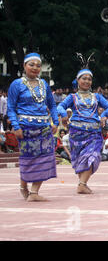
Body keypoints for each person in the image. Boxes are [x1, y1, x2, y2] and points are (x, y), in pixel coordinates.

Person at [57, 54, 108, 194]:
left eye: (89, 79)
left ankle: (82, 183)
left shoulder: (97, 96)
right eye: (84, 78)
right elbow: (59, 107)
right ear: (78, 80)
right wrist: (64, 115)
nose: (87, 81)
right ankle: (82, 183)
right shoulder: (72, 97)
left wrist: (103, 116)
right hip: (77, 132)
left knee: (93, 156)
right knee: (81, 159)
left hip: (94, 132)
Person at [7, 53, 59, 201]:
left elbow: (52, 105)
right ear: (24, 66)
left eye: (38, 65)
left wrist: (55, 122)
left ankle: (34, 193)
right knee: (28, 159)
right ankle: (23, 186)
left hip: (44, 127)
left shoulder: (44, 84)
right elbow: (10, 107)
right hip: (25, 128)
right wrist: (16, 126)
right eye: (31, 65)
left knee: (46, 158)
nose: (35, 68)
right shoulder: (17, 84)